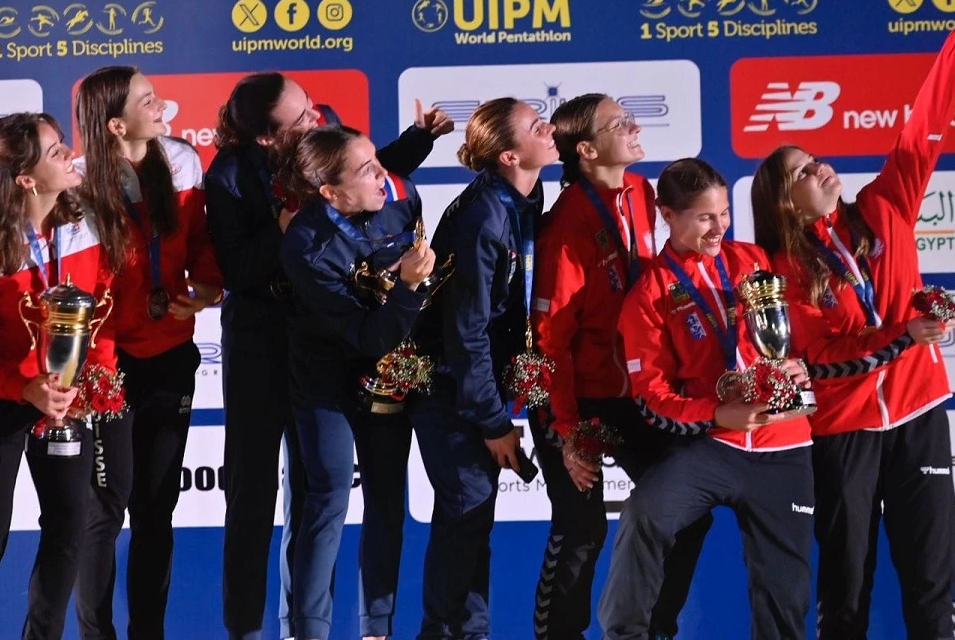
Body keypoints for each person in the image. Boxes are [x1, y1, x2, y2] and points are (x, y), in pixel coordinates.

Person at [206, 71, 452, 640]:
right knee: (252, 492)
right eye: (302, 117)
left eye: (313, 107)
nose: (317, 118)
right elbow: (238, 270)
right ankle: (244, 629)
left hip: (335, 335)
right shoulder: (231, 175)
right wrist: (285, 230)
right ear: (270, 140)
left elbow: (358, 171)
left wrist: (414, 144)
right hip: (262, 345)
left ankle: (304, 626)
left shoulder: (326, 140)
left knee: (320, 491)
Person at [749, 27, 955, 640]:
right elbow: (820, 358)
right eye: (803, 171)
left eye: (815, 159)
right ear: (786, 202)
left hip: (919, 413)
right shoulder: (781, 269)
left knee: (933, 579)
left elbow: (922, 130)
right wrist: (902, 336)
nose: (820, 166)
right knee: (847, 581)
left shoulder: (884, 207)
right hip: (845, 432)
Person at [596, 159, 816, 640]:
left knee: (785, 593)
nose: (719, 227)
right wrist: (718, 413)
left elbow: (789, 339)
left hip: (783, 445)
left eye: (723, 214)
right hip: (714, 445)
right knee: (644, 514)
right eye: (704, 217)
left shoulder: (754, 262)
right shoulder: (649, 295)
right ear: (668, 215)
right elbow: (652, 396)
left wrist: (798, 367)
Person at [531, 95, 709, 640]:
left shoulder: (638, 191)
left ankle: (649, 631)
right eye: (619, 123)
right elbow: (550, 343)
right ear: (587, 150)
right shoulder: (566, 228)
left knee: (687, 512)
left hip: (628, 390)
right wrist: (567, 433)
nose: (633, 127)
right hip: (571, 394)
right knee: (582, 525)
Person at [0, 113, 116, 640]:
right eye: (55, 151)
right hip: (0, 404)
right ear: (26, 180)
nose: (70, 155)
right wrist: (22, 387)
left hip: (66, 403)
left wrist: (91, 386)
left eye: (64, 145)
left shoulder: (84, 227)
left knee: (67, 532)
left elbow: (102, 315)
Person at [73, 65, 222, 639]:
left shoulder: (182, 159)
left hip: (171, 354)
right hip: (108, 365)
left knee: (156, 512)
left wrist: (207, 286)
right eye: (148, 100)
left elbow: (201, 237)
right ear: (114, 124)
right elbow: (78, 283)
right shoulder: (81, 180)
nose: (163, 106)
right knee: (104, 514)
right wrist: (97, 371)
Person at [278, 125, 435, 640]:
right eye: (367, 170)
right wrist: (408, 286)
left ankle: (377, 630)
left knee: (388, 496)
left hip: (387, 369)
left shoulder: (400, 195)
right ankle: (310, 632)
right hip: (327, 378)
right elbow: (367, 334)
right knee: (327, 499)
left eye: (379, 163)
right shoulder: (306, 245)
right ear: (330, 193)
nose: (382, 175)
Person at [411, 97, 558, 638]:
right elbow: (465, 332)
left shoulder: (525, 194)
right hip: (450, 388)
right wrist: (492, 422)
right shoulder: (482, 217)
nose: (549, 126)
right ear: (508, 156)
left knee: (474, 522)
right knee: (465, 517)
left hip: (475, 388)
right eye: (534, 125)